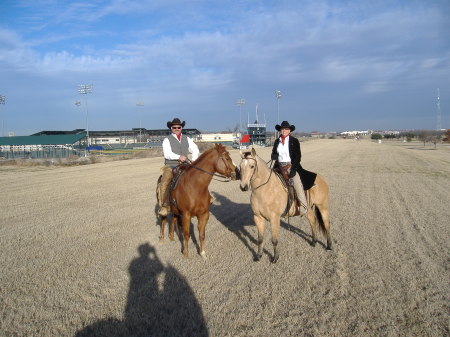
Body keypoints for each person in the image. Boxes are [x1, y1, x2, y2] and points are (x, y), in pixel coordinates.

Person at [158, 118, 200, 216]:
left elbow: (195, 149)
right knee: (164, 183)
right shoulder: (166, 140)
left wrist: (193, 159)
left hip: (185, 165)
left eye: (179, 127)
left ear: (181, 128)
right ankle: (164, 205)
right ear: (171, 128)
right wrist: (178, 157)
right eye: (174, 127)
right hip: (171, 165)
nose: (177, 128)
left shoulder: (187, 138)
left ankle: (205, 198)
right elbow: (167, 154)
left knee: (199, 178)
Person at [271, 121, 308, 215]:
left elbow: (298, 156)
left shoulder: (294, 141)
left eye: (286, 129)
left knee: (296, 183)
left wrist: (293, 169)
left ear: (289, 130)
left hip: (290, 166)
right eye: (282, 129)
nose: (284, 130)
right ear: (280, 130)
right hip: (278, 166)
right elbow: (274, 152)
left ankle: (304, 206)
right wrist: (273, 155)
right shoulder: (277, 141)